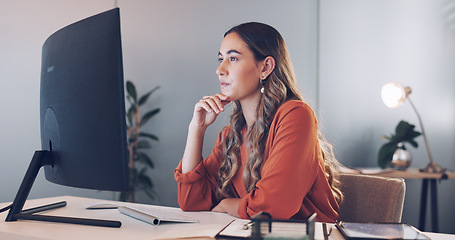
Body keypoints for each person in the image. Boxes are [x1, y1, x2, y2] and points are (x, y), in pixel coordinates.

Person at [174, 22, 343, 223]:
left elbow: (273, 205)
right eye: (221, 59)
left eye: (233, 58)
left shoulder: (296, 115)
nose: (220, 69)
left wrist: (229, 204)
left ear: (265, 67)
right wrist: (197, 129)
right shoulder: (233, 134)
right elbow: (191, 202)